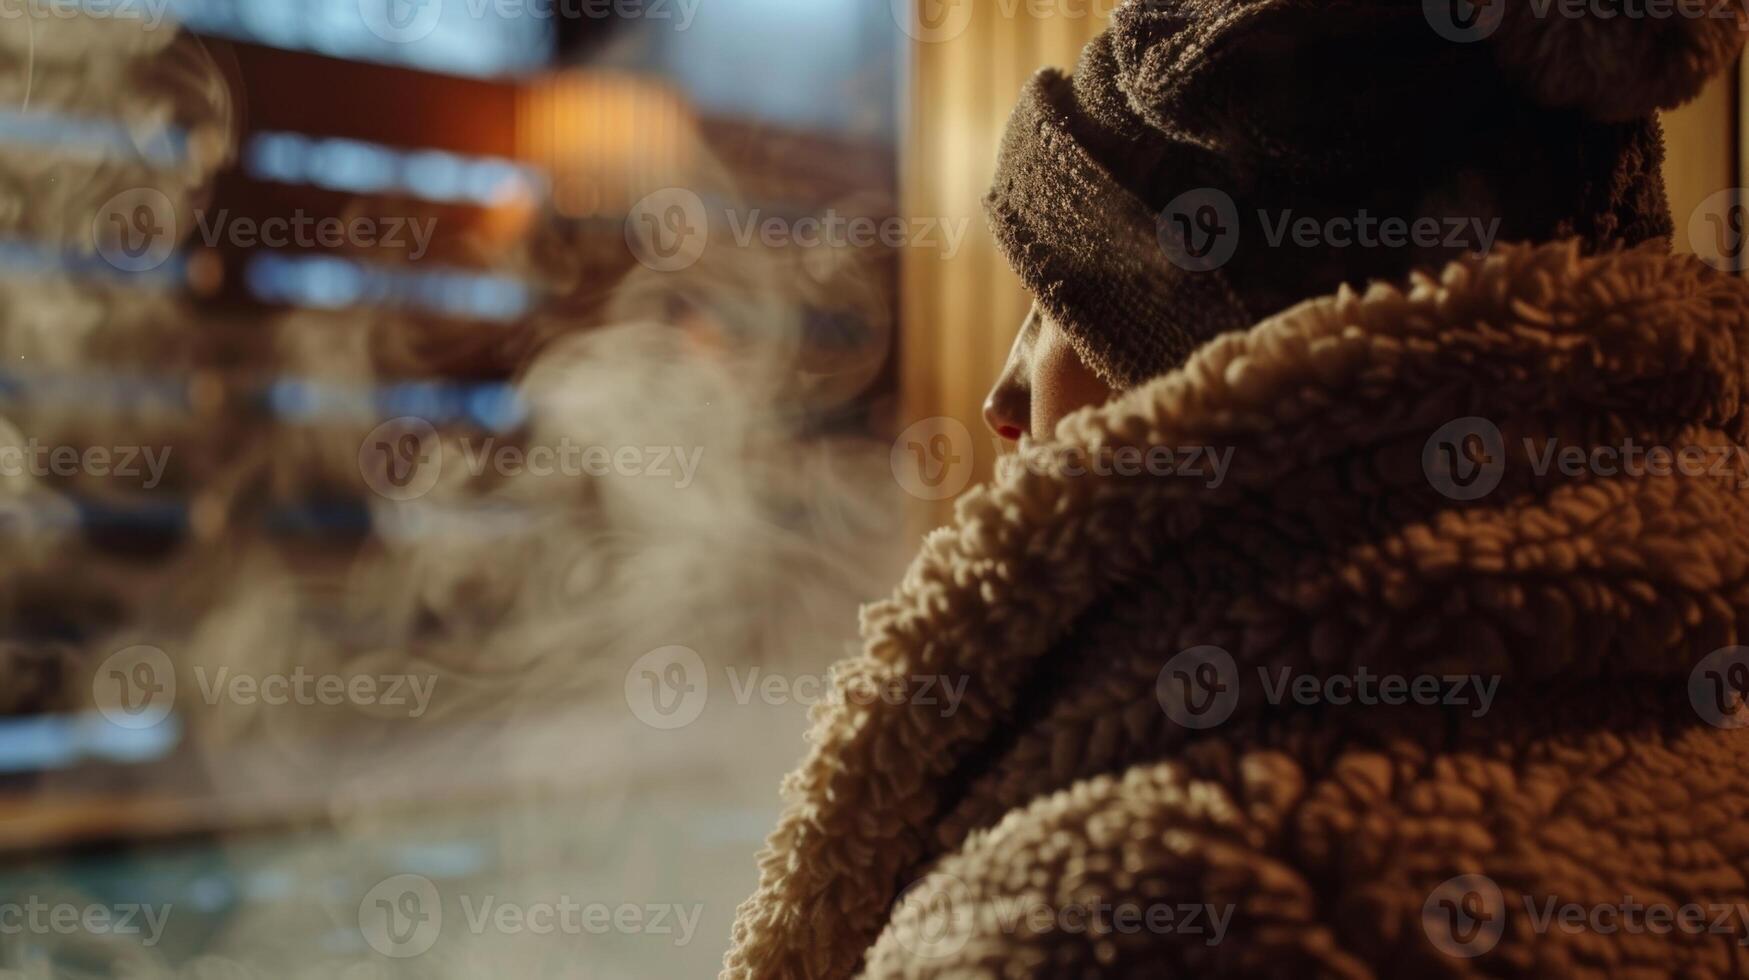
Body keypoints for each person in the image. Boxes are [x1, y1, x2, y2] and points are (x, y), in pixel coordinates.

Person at [724, 2, 1749, 976]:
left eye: (1058, 310)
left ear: (1231, 356)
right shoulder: (1686, 742)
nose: (1001, 394)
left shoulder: (1126, 909)